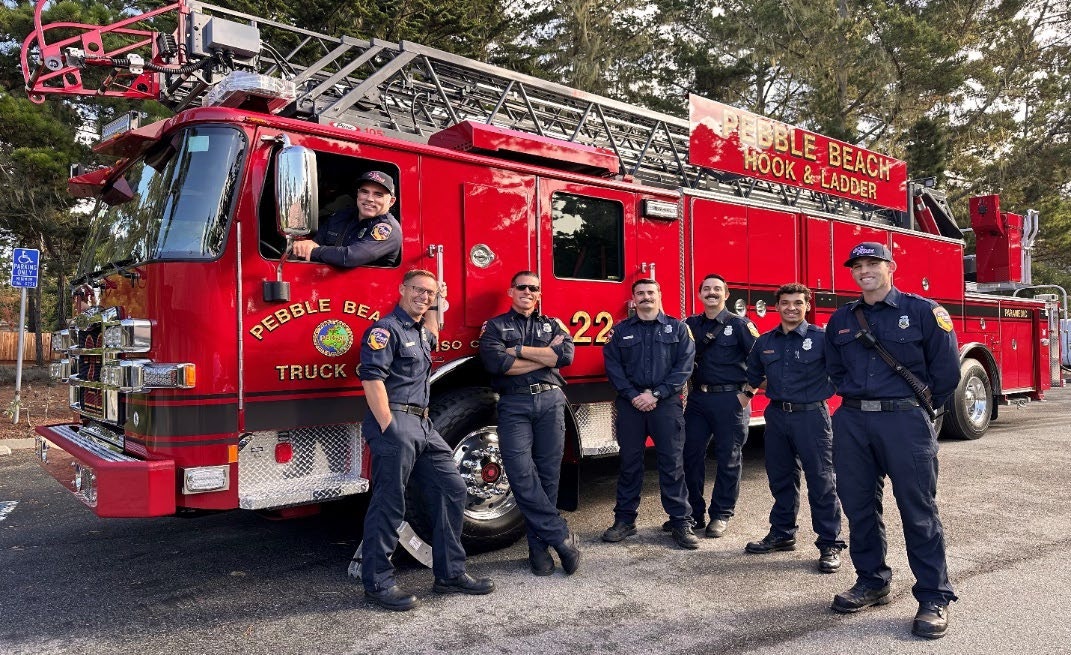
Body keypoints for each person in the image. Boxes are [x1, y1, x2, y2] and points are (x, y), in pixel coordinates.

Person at [825, 242, 960, 639]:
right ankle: (872, 580)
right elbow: (834, 368)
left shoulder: (923, 311)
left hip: (904, 421)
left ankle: (934, 596)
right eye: (858, 265)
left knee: (918, 510)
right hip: (852, 420)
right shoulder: (842, 320)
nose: (865, 270)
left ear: (891, 267)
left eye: (873, 264)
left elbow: (946, 371)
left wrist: (915, 408)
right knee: (858, 506)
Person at [357, 269, 493, 611]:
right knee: (389, 502)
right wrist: (389, 425)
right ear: (402, 289)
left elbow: (433, 329)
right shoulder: (384, 330)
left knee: (453, 488)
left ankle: (449, 575)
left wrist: (437, 303)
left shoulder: (419, 332)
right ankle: (378, 583)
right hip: (398, 422)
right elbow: (372, 380)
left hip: (424, 423)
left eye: (430, 293)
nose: (423, 296)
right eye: (418, 290)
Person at [478, 271, 581, 576]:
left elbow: (567, 356)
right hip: (514, 404)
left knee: (549, 475)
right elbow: (497, 363)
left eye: (533, 288)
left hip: (551, 402)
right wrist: (546, 356)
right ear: (511, 291)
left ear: (539, 293)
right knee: (521, 474)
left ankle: (539, 550)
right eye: (521, 287)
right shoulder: (496, 326)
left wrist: (520, 351)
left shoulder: (553, 324)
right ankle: (561, 536)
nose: (527, 291)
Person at [743, 283, 845, 573]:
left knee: (822, 481)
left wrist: (821, 391)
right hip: (777, 417)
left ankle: (829, 543)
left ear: (807, 306)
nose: (791, 308)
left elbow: (841, 372)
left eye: (798, 303)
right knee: (780, 478)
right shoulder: (764, 342)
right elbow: (752, 374)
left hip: (812, 417)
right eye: (785, 303)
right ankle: (782, 534)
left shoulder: (822, 339)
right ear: (777, 307)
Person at [601, 279, 699, 550]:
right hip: (630, 405)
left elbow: (684, 366)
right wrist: (634, 395)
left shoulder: (678, 329)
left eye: (650, 292)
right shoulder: (620, 332)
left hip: (665, 404)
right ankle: (625, 520)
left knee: (672, 464)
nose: (646, 297)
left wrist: (655, 394)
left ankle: (680, 522)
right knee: (629, 464)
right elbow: (613, 367)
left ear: (659, 295)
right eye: (640, 293)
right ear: (633, 299)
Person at [682, 274, 759, 538]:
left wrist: (748, 393)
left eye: (717, 289)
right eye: (706, 289)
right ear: (700, 294)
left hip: (731, 400)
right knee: (689, 456)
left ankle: (721, 515)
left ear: (726, 295)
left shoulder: (740, 325)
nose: (711, 293)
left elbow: (761, 361)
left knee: (728, 459)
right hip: (699, 400)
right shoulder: (690, 324)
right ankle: (693, 514)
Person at [292, 170, 401, 267]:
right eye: (364, 192)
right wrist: (305, 246)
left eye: (378, 195)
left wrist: (312, 251)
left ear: (391, 201)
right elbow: (315, 242)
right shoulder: (341, 216)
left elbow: (350, 257)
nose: (369, 199)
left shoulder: (387, 229)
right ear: (358, 194)